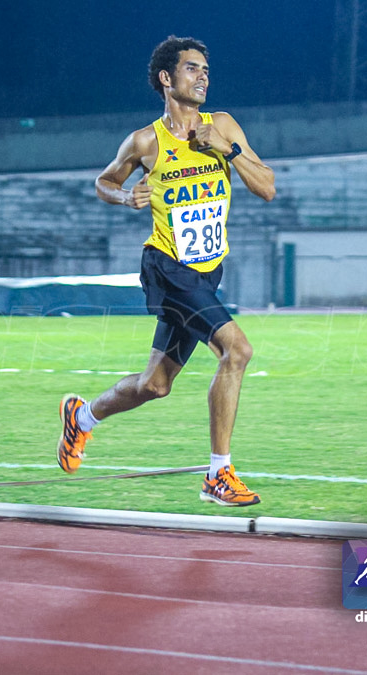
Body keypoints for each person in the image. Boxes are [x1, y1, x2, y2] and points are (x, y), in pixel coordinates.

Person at [56, 36, 276, 506]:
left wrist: (227, 150)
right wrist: (123, 196)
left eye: (205, 71)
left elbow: (268, 187)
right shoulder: (146, 142)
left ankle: (82, 417)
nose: (203, 77)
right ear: (166, 79)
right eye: (192, 69)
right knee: (236, 351)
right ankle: (219, 474)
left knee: (155, 385)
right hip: (167, 266)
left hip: (207, 271)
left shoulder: (224, 126)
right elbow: (105, 181)